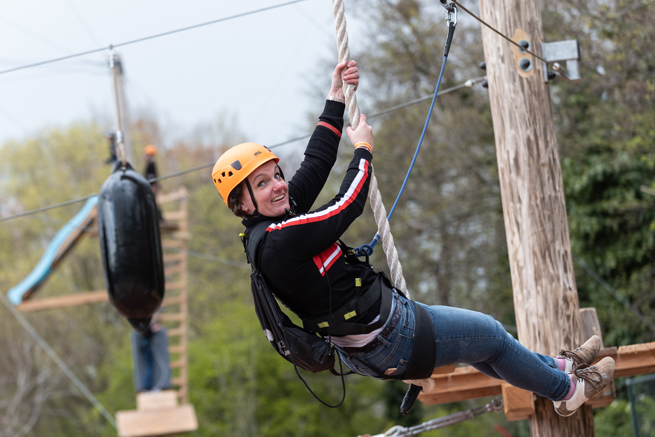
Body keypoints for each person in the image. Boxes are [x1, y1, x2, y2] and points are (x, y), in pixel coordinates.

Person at [210, 60, 615, 417]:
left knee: (488, 345)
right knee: (490, 334)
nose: (279, 186)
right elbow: (345, 206)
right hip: (387, 337)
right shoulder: (279, 240)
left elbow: (316, 163)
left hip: (377, 335)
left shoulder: (274, 222)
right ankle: (568, 392)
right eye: (262, 184)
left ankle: (557, 371)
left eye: (276, 175)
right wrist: (364, 150)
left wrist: (335, 95)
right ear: (242, 205)